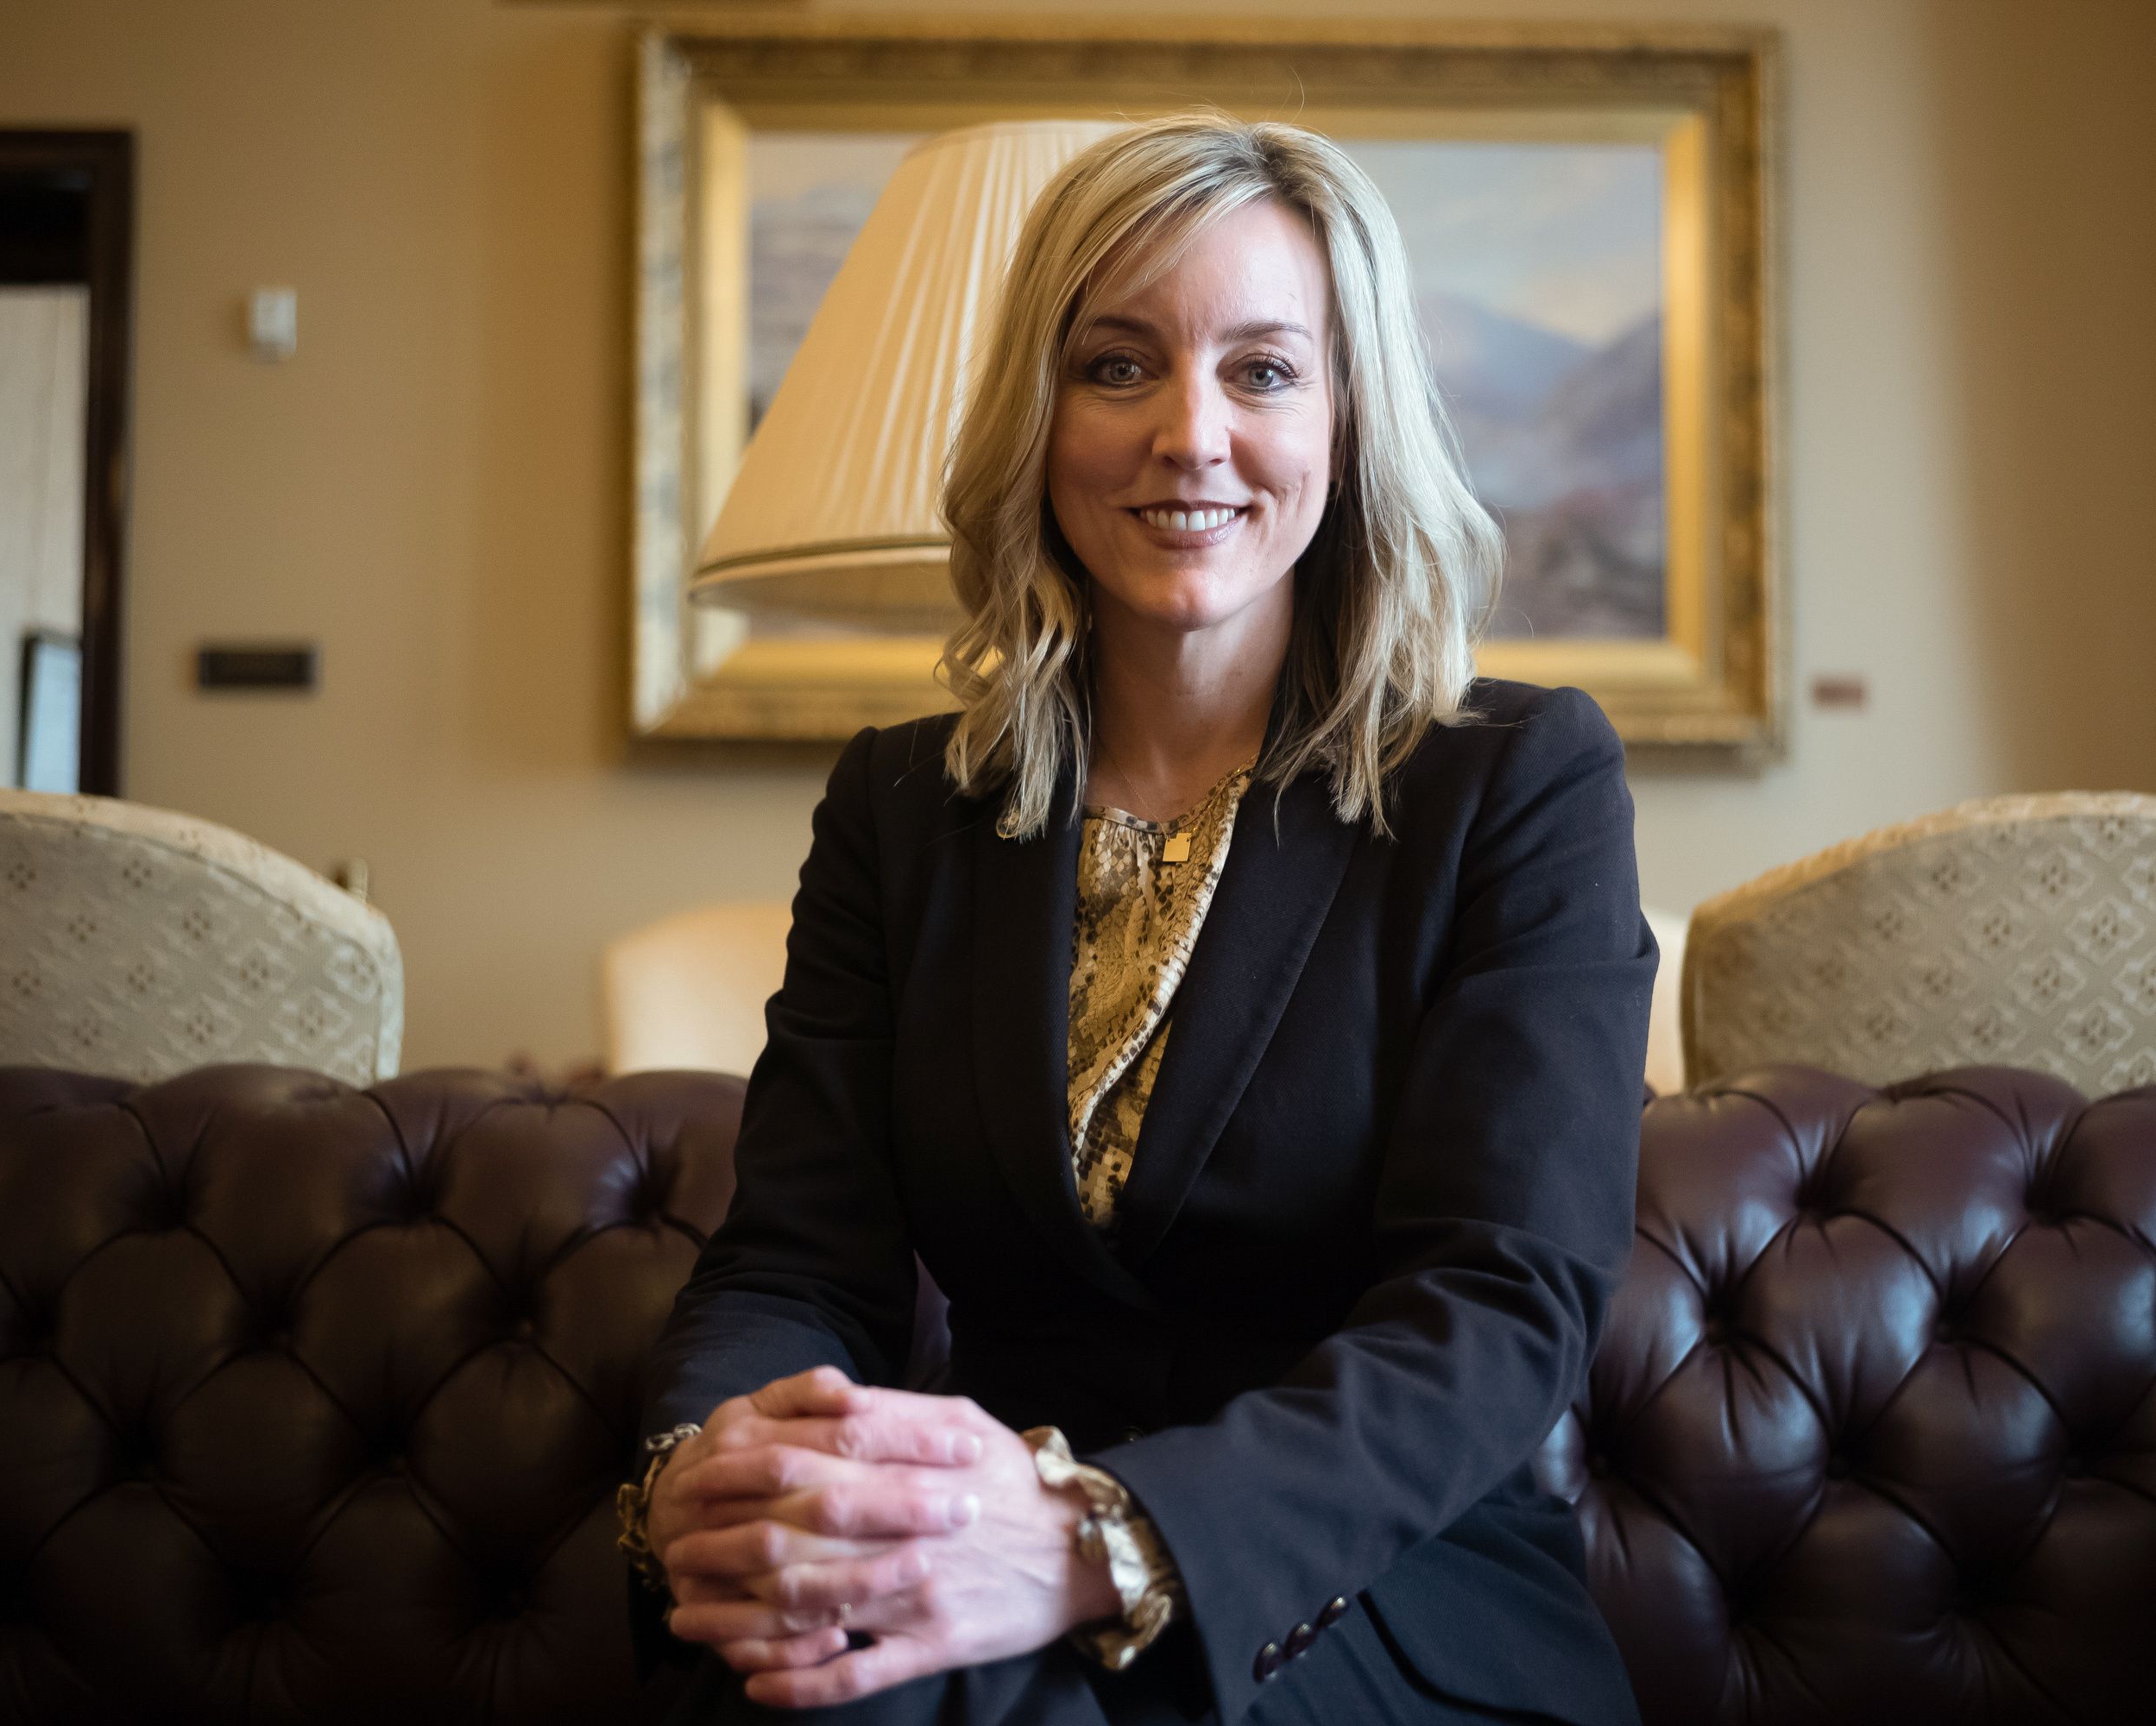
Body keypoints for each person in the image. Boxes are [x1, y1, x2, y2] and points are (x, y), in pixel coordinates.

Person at [621, 111, 1655, 1725]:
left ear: (1350, 415)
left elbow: (1499, 1304)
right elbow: (796, 1264)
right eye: (1117, 367)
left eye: (1262, 370)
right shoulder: (901, 810)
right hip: (963, 1547)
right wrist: (712, 1468)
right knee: (801, 1671)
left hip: (1357, 1583)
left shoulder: (1515, 784)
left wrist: (1095, 1539)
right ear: (1040, 418)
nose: (1191, 432)